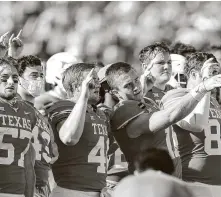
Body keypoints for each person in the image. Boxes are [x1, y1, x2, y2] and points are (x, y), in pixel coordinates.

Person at [105, 61, 221, 174]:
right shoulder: (123, 110)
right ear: (115, 93)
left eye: (136, 80)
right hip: (151, 181)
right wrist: (202, 87)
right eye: (128, 85)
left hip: (169, 176)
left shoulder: (146, 101)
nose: (135, 87)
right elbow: (170, 116)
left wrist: (144, 91)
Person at [47, 63, 109, 197]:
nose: (98, 85)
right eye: (93, 80)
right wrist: (83, 97)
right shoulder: (63, 106)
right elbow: (69, 137)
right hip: (70, 190)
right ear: (76, 86)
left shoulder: (99, 113)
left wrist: (102, 186)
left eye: (98, 80)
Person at [162, 52, 221, 185]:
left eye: (215, 72)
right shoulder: (176, 95)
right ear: (194, 74)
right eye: (210, 72)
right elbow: (196, 124)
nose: (214, 76)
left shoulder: (212, 100)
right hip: (192, 182)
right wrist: (205, 86)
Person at [16, 55, 58, 197]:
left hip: (42, 188)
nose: (39, 79)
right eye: (34, 75)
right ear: (19, 79)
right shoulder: (13, 107)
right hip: (20, 187)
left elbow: (50, 158)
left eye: (41, 75)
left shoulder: (41, 115)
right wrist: (10, 54)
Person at [0, 56, 38, 197]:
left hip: (17, 192)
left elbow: (28, 163)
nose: (10, 82)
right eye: (4, 78)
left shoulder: (28, 111)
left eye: (15, 79)